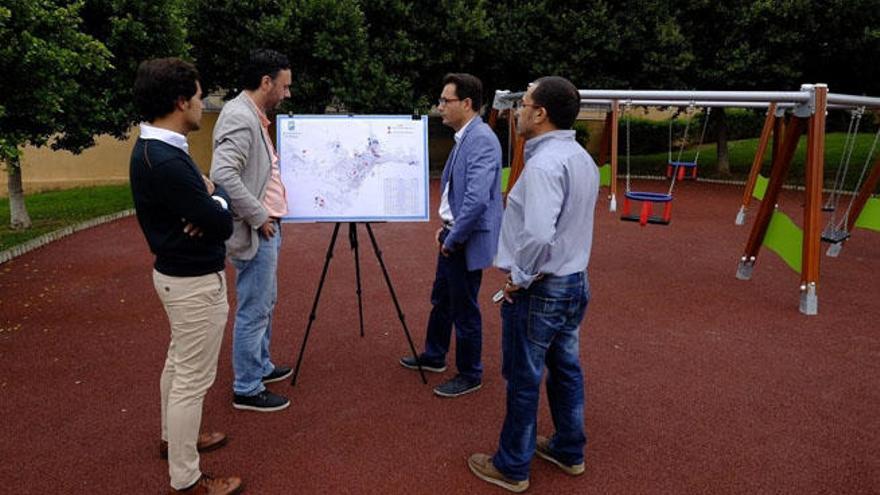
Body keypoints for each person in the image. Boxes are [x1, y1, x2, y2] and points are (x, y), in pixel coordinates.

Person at [467, 76, 599, 493]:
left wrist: (519, 279)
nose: (518, 111)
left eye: (523, 104)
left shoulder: (543, 164)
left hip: (542, 286)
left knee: (525, 377)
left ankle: (512, 465)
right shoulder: (580, 157)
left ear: (540, 113)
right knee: (565, 369)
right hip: (574, 280)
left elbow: (539, 234)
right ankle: (568, 448)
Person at [130, 57, 241, 495]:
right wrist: (215, 204)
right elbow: (222, 223)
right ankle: (187, 477)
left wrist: (214, 198)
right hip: (193, 281)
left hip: (176, 275)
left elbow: (213, 199)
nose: (202, 103)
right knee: (192, 379)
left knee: (179, 364)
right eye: (199, 97)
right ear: (181, 102)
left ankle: (172, 438)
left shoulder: (156, 148)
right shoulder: (169, 161)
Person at [399, 73, 503, 398]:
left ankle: (470, 372)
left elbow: (476, 200)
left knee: (464, 307)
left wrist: (454, 237)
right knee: (442, 298)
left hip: (463, 240)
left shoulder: (482, 139)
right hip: (453, 234)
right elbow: (458, 195)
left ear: (467, 103)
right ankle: (434, 354)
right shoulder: (465, 136)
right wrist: (446, 227)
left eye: (446, 100)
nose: (440, 106)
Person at [211, 49, 293, 412]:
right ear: (266, 82)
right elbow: (223, 175)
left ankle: (260, 365)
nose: (287, 93)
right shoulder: (239, 117)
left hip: (267, 226)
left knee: (266, 302)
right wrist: (260, 216)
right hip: (258, 229)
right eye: (284, 86)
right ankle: (246, 387)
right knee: (254, 308)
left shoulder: (252, 116)